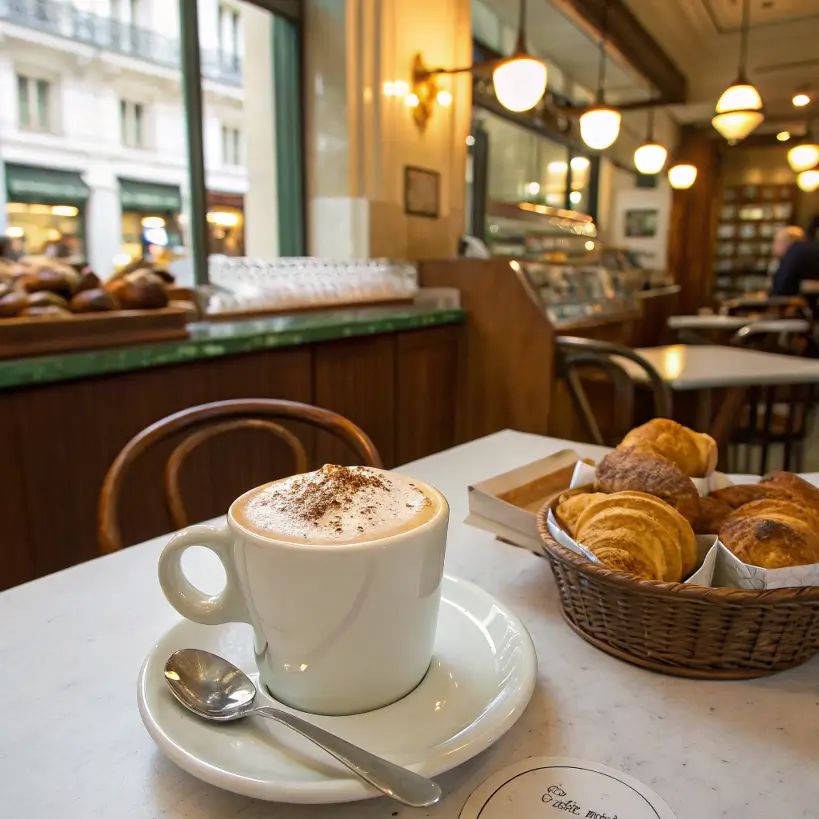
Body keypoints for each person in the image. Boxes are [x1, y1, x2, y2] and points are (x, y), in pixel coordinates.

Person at [769, 225, 819, 296]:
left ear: (788, 242)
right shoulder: (806, 254)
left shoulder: (793, 256)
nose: (774, 246)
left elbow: (780, 290)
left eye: (777, 241)